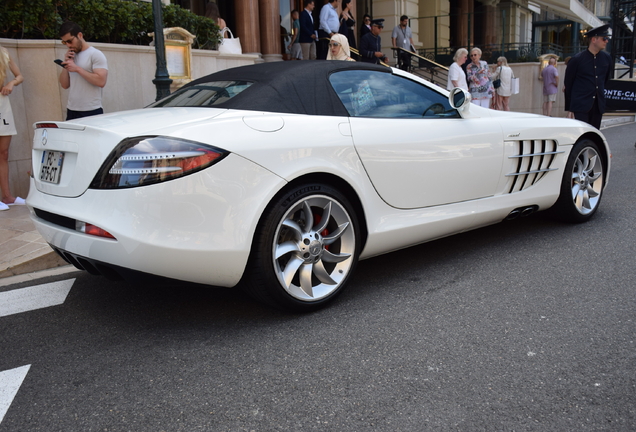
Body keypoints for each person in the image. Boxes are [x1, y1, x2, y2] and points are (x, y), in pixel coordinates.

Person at [564, 24, 613, 129]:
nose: (606, 41)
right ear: (594, 39)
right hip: (580, 106)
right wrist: (570, 108)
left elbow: (605, 80)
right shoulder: (577, 60)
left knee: (595, 136)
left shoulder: (607, 59)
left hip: (598, 106)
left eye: (607, 38)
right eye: (604, 38)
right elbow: (568, 84)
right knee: (581, 136)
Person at [58, 22, 108, 121]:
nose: (68, 45)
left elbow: (101, 81)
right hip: (72, 109)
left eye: (70, 41)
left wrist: (77, 69)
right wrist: (66, 64)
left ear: (80, 35)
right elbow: (64, 85)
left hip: (91, 110)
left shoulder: (95, 54)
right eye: (64, 42)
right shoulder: (72, 55)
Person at [0, 45, 25, 210]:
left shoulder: (3, 52)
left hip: (2, 103)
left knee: (4, 152)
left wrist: (11, 83)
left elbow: (20, 76)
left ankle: (7, 196)